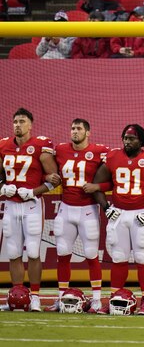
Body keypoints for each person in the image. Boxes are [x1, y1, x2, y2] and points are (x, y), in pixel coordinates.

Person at [92, 124, 144, 315]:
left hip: (140, 214)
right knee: (118, 257)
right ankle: (114, 298)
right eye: (125, 139)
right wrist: (106, 207)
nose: (127, 142)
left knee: (143, 257)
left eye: (132, 139)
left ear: (141, 141)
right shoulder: (112, 157)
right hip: (118, 214)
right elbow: (96, 185)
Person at [46, 119, 109, 313]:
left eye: (79, 128)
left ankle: (97, 299)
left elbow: (112, 179)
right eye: (72, 128)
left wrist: (98, 186)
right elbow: (43, 171)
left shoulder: (100, 151)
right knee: (63, 254)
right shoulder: (61, 149)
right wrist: (48, 176)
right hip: (65, 208)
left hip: (88, 209)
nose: (74, 131)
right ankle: (61, 297)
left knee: (91, 255)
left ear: (88, 132)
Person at [0, 108, 58, 312]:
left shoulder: (40, 146)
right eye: (15, 121)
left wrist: (34, 191)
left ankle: (34, 296)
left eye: (22, 121)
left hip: (32, 205)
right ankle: (16, 295)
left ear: (30, 125)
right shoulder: (4, 145)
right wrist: (2, 187)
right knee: (13, 252)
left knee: (33, 252)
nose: (17, 125)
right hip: (10, 205)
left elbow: (54, 180)